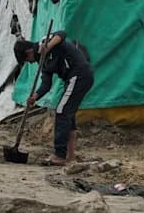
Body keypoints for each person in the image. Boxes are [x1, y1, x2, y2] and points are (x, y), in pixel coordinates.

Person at [14, 32, 94, 165]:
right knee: (68, 114)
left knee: (62, 112)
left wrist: (48, 46)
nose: (30, 62)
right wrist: (35, 96)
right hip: (72, 79)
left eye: (27, 59)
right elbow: (46, 84)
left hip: (79, 74)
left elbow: (61, 34)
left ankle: (60, 155)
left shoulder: (45, 42)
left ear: (28, 52)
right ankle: (70, 156)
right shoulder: (43, 63)